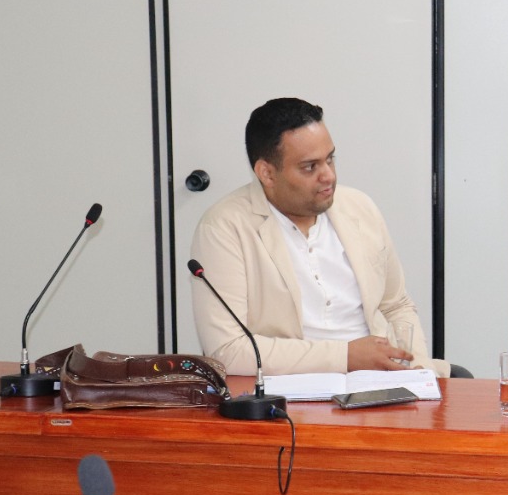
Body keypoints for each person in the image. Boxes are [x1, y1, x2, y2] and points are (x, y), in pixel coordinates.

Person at [190, 97, 449, 378]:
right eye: (310, 167)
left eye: (330, 159)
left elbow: (396, 305)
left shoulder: (360, 207)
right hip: (292, 390)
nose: (328, 176)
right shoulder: (224, 227)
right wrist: (345, 357)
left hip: (381, 380)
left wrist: (418, 368)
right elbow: (228, 350)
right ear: (267, 173)